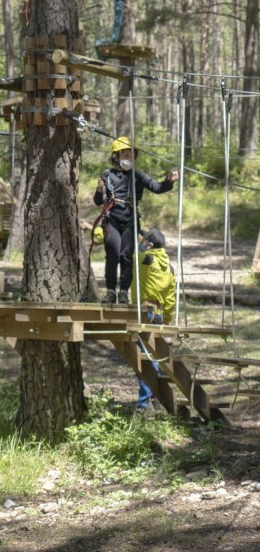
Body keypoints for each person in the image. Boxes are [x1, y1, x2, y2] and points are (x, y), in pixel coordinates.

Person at [94, 136, 178, 305]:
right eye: (125, 155)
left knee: (126, 256)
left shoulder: (138, 176)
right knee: (113, 254)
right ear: (116, 156)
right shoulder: (107, 174)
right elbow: (97, 201)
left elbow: (157, 188)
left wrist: (168, 181)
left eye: (131, 155)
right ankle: (111, 291)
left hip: (130, 220)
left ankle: (123, 292)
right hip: (112, 220)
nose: (129, 159)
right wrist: (99, 190)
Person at [131, 227, 176, 410]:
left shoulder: (146, 260)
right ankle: (154, 398)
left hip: (146, 313)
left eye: (145, 241)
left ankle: (146, 402)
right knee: (152, 356)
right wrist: (167, 317)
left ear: (149, 244)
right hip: (158, 314)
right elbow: (171, 297)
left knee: (145, 358)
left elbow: (135, 252)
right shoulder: (169, 267)